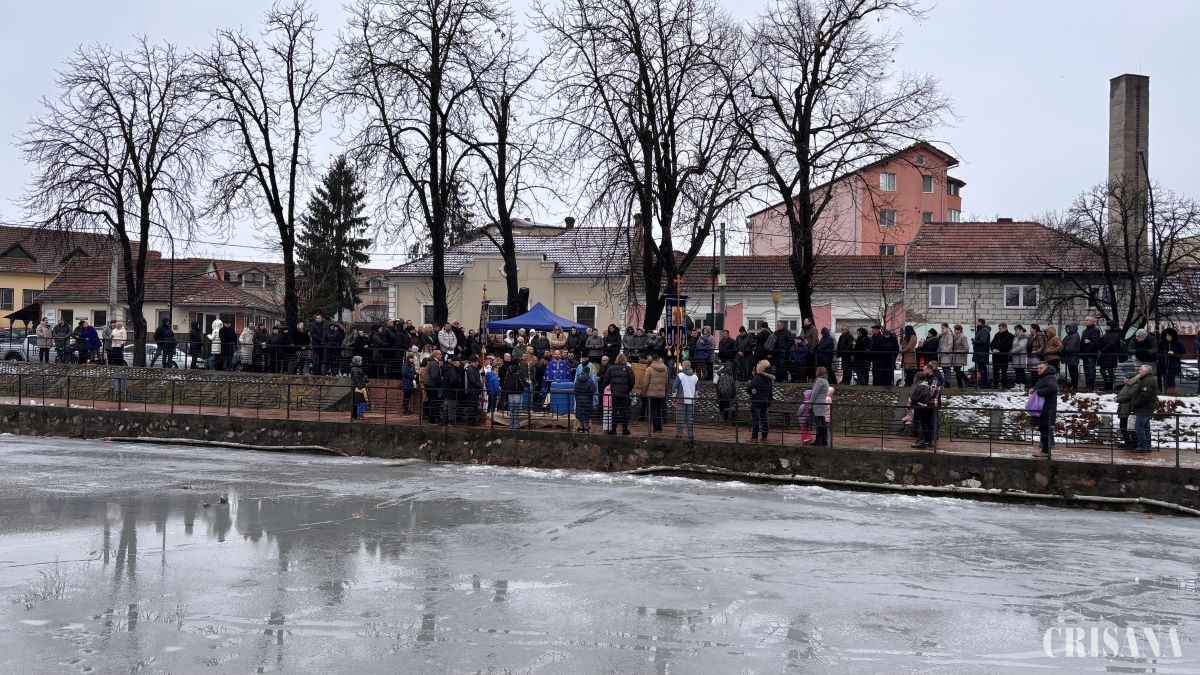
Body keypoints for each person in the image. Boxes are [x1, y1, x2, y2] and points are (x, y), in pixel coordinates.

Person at [1029, 361, 1059, 459]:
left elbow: (1053, 388)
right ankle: (1044, 451)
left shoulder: (1049, 377)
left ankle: (1045, 451)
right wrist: (1034, 389)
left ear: (1047, 368)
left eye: (1041, 368)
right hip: (1043, 408)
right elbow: (1043, 387)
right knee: (1043, 430)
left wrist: (1038, 392)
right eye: (1037, 368)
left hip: (1046, 409)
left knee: (1045, 430)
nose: (1038, 370)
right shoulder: (1044, 377)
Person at [601, 353, 634, 435]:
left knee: (614, 411)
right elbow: (632, 381)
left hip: (615, 393)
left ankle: (613, 429)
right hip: (625, 393)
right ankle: (625, 430)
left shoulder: (611, 368)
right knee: (624, 411)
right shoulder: (628, 369)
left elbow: (606, 380)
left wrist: (603, 387)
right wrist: (628, 389)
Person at [1130, 363, 1159, 452]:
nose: (1139, 371)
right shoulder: (1148, 379)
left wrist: (1135, 403)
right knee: (1145, 428)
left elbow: (1144, 396)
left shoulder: (1147, 381)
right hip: (1146, 408)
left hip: (1143, 408)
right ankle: (1147, 446)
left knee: (1140, 428)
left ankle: (1143, 447)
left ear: (1146, 371)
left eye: (1141, 370)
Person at [747, 360, 774, 441]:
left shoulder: (757, 378)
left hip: (756, 401)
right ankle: (764, 436)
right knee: (764, 419)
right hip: (764, 401)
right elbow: (770, 391)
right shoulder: (769, 379)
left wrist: (753, 391)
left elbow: (749, 389)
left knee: (756, 419)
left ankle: (754, 436)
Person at [642, 355, 670, 433]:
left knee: (653, 411)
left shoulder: (649, 369)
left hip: (652, 393)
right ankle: (659, 428)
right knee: (659, 410)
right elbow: (666, 382)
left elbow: (645, 382)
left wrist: (643, 392)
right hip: (661, 393)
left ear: (652, 360)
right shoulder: (665, 369)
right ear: (658, 360)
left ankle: (656, 428)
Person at [908, 371, 934, 449]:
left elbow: (914, 397)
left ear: (917, 378)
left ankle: (921, 441)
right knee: (926, 424)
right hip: (926, 406)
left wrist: (910, 404)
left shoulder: (920, 386)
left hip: (919, 407)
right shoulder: (927, 384)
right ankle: (928, 441)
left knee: (920, 424)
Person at [502, 352, 528, 429]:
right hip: (518, 392)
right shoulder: (519, 371)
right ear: (518, 363)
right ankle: (516, 426)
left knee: (512, 410)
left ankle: (511, 425)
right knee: (516, 410)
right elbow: (523, 383)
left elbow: (505, 381)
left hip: (510, 393)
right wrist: (528, 384)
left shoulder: (508, 370)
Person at [675, 360, 699, 439]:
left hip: (681, 399)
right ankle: (690, 434)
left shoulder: (680, 375)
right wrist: (695, 398)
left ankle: (679, 434)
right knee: (690, 418)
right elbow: (697, 390)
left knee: (680, 418)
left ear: (684, 366)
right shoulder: (695, 377)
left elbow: (675, 387)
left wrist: (674, 397)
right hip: (691, 400)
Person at [1114, 373, 1139, 450]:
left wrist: (1118, 399)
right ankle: (1127, 442)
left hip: (1128, 408)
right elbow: (1121, 394)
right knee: (1123, 426)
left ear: (1130, 378)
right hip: (1123, 407)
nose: (1124, 379)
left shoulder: (1134, 386)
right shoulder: (1127, 385)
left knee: (1128, 426)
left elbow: (1128, 396)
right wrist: (1117, 397)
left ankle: (1133, 443)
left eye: (1125, 378)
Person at [808, 366, 830, 446]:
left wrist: (810, 402)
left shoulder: (819, 380)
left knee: (819, 423)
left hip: (817, 403)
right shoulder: (826, 381)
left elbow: (815, 392)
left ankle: (818, 440)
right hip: (823, 402)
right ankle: (824, 440)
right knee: (823, 422)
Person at [1099, 320, 1123, 391]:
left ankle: (1109, 386)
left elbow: (1111, 344)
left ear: (1111, 327)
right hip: (1106, 355)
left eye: (1107, 325)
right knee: (1103, 370)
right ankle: (1107, 385)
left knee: (1109, 371)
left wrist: (1102, 350)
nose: (1106, 326)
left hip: (1110, 355)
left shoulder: (1114, 334)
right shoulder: (1108, 333)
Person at [1158, 328, 1184, 392]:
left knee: (1171, 380)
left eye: (1169, 336)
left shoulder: (1178, 343)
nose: (1168, 337)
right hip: (1163, 364)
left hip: (1173, 365)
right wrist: (1165, 354)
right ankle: (1166, 393)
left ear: (1173, 336)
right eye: (1166, 335)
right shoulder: (1162, 343)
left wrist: (1174, 353)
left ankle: (1172, 393)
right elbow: (1159, 352)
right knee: (1165, 380)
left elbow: (1182, 352)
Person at [989, 323, 1014, 390]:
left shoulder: (1010, 336)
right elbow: (992, 343)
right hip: (995, 356)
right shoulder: (997, 335)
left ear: (1005, 328)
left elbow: (1008, 345)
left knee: (1004, 372)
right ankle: (995, 385)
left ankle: (1004, 385)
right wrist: (993, 349)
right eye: (999, 328)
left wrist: (999, 350)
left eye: (1000, 328)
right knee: (995, 371)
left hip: (1003, 356)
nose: (999, 330)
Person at [1080, 316, 1101, 391]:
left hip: (1091, 354)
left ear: (1092, 322)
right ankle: (1088, 386)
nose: (1085, 321)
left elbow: (1095, 343)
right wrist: (1081, 352)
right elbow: (1082, 342)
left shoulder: (1095, 330)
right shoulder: (1084, 331)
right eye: (1085, 320)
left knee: (1091, 370)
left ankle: (1091, 387)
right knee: (1086, 370)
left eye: (1087, 320)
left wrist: (1088, 342)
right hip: (1084, 354)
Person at [573, 364, 597, 432]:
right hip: (587, 400)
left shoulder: (577, 380)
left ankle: (581, 428)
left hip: (579, 400)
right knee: (587, 414)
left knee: (580, 414)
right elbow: (593, 390)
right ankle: (586, 428)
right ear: (588, 372)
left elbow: (575, 390)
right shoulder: (590, 380)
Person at [714, 360, 736, 424]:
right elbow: (733, 388)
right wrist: (733, 397)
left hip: (721, 395)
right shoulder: (731, 378)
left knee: (721, 407)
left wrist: (718, 395)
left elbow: (717, 385)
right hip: (728, 396)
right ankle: (726, 419)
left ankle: (722, 419)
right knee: (727, 406)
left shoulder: (721, 376)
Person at [972, 319, 991, 389]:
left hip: (982, 354)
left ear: (980, 323)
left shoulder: (984, 330)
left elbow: (983, 341)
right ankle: (983, 384)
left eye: (977, 322)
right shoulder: (981, 330)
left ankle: (984, 385)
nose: (976, 323)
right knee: (981, 370)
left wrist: (974, 342)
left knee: (983, 370)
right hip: (979, 353)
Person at [349, 355, 369, 420]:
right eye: (360, 361)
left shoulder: (356, 368)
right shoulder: (355, 369)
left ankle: (356, 415)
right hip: (357, 387)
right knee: (358, 402)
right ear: (357, 362)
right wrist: (360, 387)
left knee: (357, 402)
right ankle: (356, 415)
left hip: (357, 386)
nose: (361, 362)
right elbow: (357, 379)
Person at [1062, 324, 1081, 389]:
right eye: (1067, 329)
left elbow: (1070, 348)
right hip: (1071, 357)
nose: (1067, 330)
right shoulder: (1071, 335)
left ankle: (1074, 386)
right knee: (1072, 372)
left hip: (1072, 357)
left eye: (1069, 329)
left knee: (1073, 372)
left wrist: (1063, 348)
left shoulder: (1074, 336)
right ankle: (1073, 385)